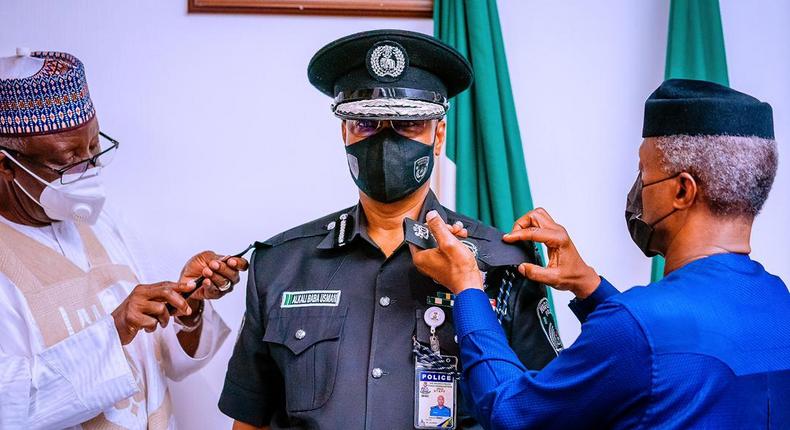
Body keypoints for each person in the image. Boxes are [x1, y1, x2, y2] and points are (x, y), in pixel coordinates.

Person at [219, 30, 560, 430]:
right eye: (365, 123)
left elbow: (546, 412)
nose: (385, 140)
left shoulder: (503, 264)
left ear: (439, 135)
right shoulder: (280, 264)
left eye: (407, 123)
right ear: (343, 133)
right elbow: (251, 420)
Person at [410, 79, 790, 429]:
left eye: (644, 171)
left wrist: (468, 289)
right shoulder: (778, 302)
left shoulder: (638, 325)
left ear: (682, 192)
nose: (638, 187)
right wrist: (589, 286)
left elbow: (513, 413)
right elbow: (673, 356)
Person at [0, 50, 248, 429]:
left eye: (94, 151)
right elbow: (10, 405)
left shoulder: (102, 221)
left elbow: (157, 359)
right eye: (69, 161)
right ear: (6, 164)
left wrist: (188, 309)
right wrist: (114, 330)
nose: (87, 175)